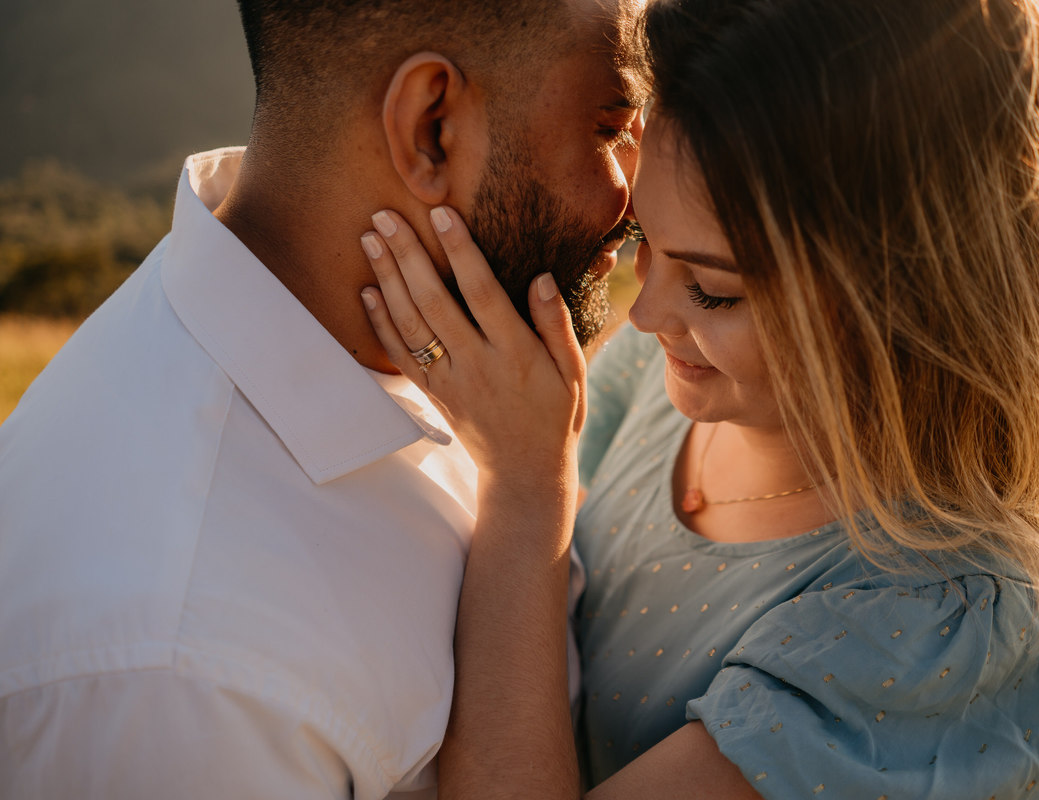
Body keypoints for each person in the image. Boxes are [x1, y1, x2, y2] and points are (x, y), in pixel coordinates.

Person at [356, 0, 1039, 797]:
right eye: (646, 244)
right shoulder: (673, 384)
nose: (644, 317)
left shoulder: (930, 631)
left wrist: (525, 490)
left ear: (907, 295)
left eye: (713, 290)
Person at [0, 1, 647, 797]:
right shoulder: (185, 672)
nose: (636, 198)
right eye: (610, 128)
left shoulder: (436, 346)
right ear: (431, 128)